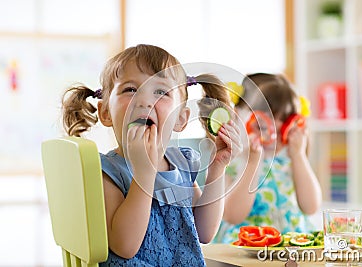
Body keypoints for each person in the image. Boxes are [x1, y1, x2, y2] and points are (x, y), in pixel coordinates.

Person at [61, 44, 242, 266]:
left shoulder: (181, 164)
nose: (145, 101)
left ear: (181, 119)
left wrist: (217, 168)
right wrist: (144, 172)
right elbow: (125, 246)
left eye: (161, 92)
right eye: (130, 90)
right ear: (106, 112)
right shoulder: (107, 171)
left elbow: (204, 232)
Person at [214, 73, 322, 243]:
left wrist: (299, 155)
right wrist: (253, 162)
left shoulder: (290, 162)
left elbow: (311, 207)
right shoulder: (231, 162)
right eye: (263, 125)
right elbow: (232, 215)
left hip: (291, 244)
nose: (274, 135)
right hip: (248, 245)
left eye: (283, 127)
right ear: (238, 116)